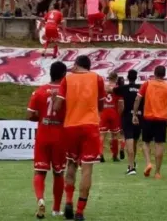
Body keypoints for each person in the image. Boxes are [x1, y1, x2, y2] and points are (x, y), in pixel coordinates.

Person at [53, 55, 106, 221]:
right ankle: (80, 211)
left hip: (71, 126)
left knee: (71, 163)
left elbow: (57, 107)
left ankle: (68, 201)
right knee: (87, 169)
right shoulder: (97, 78)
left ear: (76, 65)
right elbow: (101, 104)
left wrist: (55, 100)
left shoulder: (67, 80)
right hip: (90, 126)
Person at [27, 61, 68, 219]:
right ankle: (56, 209)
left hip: (43, 135)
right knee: (59, 173)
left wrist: (43, 118)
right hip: (60, 136)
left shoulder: (39, 91)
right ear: (64, 75)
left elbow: (30, 115)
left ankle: (40, 199)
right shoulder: (66, 93)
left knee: (40, 171)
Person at [133, 65, 167, 179]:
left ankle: (148, 163)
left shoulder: (147, 84)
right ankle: (158, 172)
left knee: (145, 142)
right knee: (159, 144)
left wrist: (134, 114)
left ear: (154, 73)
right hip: (161, 119)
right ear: (164, 75)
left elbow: (138, 99)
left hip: (148, 118)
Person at [116, 69, 143, 175]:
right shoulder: (141, 88)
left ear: (128, 77)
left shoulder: (124, 88)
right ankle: (132, 163)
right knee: (135, 142)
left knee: (129, 142)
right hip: (139, 117)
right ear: (136, 77)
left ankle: (131, 168)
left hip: (128, 117)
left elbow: (111, 90)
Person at [100, 73, 122, 163]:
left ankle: (100, 154)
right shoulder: (118, 89)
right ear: (116, 79)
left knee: (102, 135)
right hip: (114, 112)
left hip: (104, 112)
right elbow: (121, 104)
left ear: (109, 78)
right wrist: (120, 114)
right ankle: (115, 156)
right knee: (115, 135)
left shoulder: (104, 87)